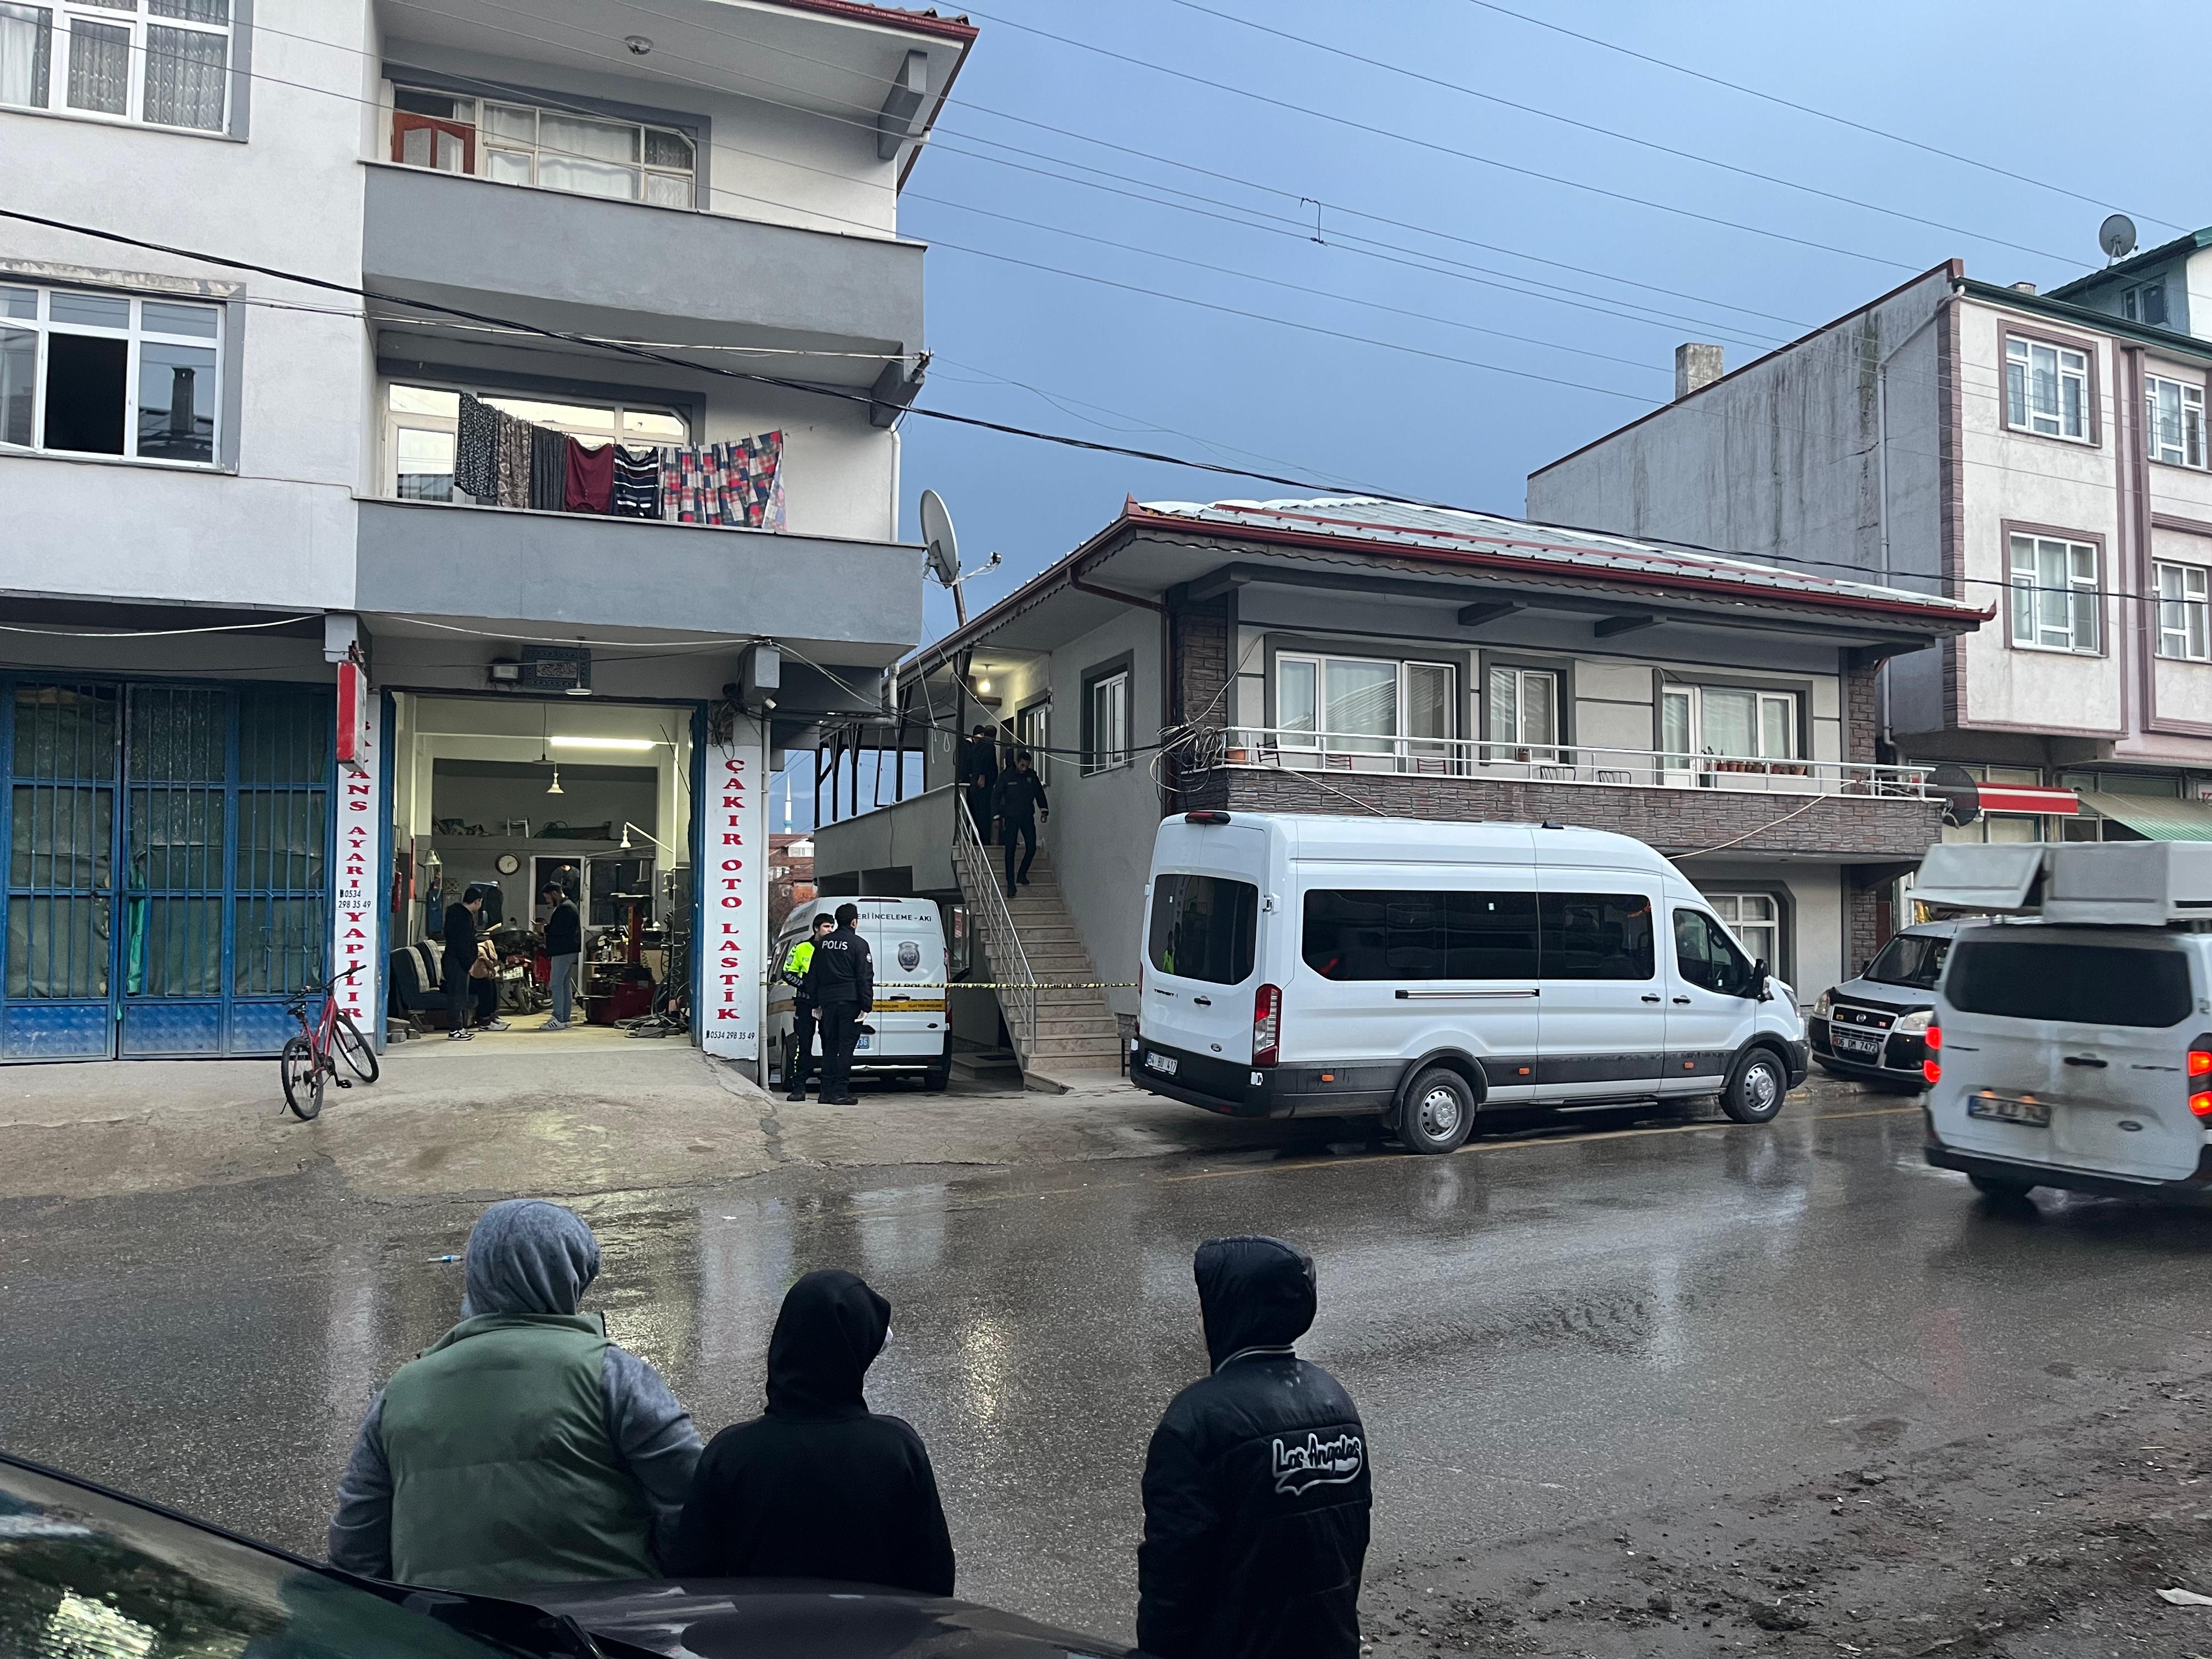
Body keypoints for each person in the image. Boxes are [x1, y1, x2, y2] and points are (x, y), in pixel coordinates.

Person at [327, 1199, 702, 1590]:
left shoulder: (398, 1394)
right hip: (603, 1634)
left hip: (451, 1635)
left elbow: (355, 1550)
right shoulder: (612, 1374)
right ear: (571, 1275)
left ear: (474, 1274)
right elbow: (694, 1505)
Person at [1136, 1235, 1371, 1659]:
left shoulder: (1199, 1419)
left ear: (1229, 1307)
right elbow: (1350, 1541)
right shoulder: (1334, 1399)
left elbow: (1174, 1573)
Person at [669, 1269, 954, 1596]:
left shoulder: (729, 1455)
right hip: (876, 1641)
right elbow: (935, 1580)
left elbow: (692, 1582)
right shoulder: (897, 1450)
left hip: (760, 1640)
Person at [805, 902, 873, 1106]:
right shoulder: (858, 944)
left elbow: (813, 975)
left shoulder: (823, 944)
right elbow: (865, 977)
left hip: (827, 1003)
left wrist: (816, 1003)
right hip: (850, 1003)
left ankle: (825, 1093)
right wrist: (866, 1005)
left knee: (830, 1048)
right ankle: (840, 1092)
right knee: (845, 1049)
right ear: (854, 922)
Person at [781, 912, 837, 1101]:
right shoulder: (802, 948)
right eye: (827, 927)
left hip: (828, 1004)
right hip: (805, 1003)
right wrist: (805, 985)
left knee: (829, 1044)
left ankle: (828, 1089)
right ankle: (799, 1088)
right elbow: (787, 973)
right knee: (803, 1045)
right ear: (816, 928)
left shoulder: (834, 948)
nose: (830, 930)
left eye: (832, 927)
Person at [441, 884, 507, 1040]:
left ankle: (460, 1028)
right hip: (458, 962)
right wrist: (469, 963)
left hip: (456, 960)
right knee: (457, 996)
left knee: (463, 994)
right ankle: (455, 1030)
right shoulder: (463, 917)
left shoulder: (457, 914)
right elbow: (463, 943)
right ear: (477, 902)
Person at [991, 749, 1049, 898]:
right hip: (1011, 818)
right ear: (1017, 763)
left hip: (1027, 817)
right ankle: (1011, 884)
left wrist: (1044, 810)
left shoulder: (1031, 776)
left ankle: (1022, 874)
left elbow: (1039, 793)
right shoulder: (1006, 776)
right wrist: (996, 817)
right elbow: (996, 796)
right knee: (1010, 850)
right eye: (1022, 765)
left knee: (1031, 847)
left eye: (1027, 766)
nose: (1024, 768)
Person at [541, 880, 582, 1031]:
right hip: (569, 951)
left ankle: (558, 1017)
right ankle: (565, 1018)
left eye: (548, 898)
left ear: (555, 894)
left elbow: (559, 930)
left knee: (556, 984)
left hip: (562, 951)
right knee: (564, 984)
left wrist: (544, 929)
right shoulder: (569, 906)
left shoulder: (565, 909)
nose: (548, 901)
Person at [958, 723, 999, 838]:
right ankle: (984, 839)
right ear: (994, 736)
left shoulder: (977, 746)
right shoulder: (989, 746)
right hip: (984, 785)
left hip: (975, 784)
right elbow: (985, 761)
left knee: (978, 813)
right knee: (985, 812)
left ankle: (978, 839)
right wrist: (982, 777)